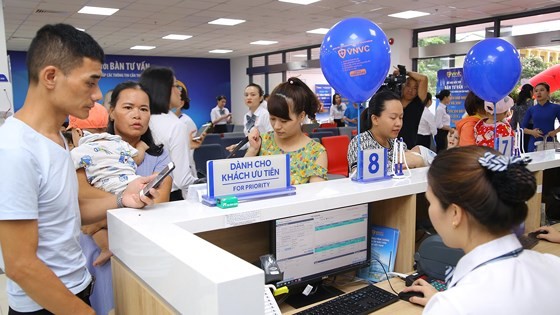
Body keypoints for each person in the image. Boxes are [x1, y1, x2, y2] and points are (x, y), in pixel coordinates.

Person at [0, 23, 158, 315]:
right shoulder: (15, 149)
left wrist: (123, 198)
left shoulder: (55, 139)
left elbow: (65, 209)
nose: (98, 94)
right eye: (90, 82)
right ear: (51, 76)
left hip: (75, 286)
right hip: (45, 304)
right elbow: (20, 265)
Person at [402, 146, 560, 314]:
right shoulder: (553, 266)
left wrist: (443, 304)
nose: (430, 211)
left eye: (431, 202)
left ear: (455, 213)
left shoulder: (452, 307)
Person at [77, 81, 173, 315]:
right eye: (128, 107)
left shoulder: (159, 156)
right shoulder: (91, 150)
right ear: (111, 112)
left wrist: (98, 218)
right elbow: (81, 198)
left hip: (142, 248)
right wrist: (127, 202)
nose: (137, 115)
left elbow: (158, 207)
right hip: (99, 250)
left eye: (144, 109)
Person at [69, 103, 149, 267]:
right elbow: (137, 159)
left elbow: (72, 176)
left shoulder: (77, 152)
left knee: (91, 225)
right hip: (132, 185)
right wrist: (141, 146)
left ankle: (106, 248)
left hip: (107, 190)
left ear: (78, 132)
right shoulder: (119, 143)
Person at [245, 77, 328, 184]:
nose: (277, 126)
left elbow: (316, 194)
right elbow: (242, 182)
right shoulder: (262, 142)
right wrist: (252, 150)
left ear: (301, 116)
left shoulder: (315, 152)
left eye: (284, 121)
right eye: (272, 119)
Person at [140, 66, 201, 200]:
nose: (180, 92)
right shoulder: (176, 125)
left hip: (140, 194)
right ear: (163, 89)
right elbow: (182, 179)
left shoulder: (141, 120)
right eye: (175, 86)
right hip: (169, 197)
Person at [347, 90, 425, 174]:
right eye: (393, 117)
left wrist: (419, 162)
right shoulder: (360, 143)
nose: (398, 123)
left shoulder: (398, 145)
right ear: (375, 119)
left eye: (401, 117)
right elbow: (361, 175)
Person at [226, 83, 272, 153]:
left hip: (266, 154)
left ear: (260, 98)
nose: (249, 97)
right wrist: (237, 146)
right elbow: (249, 140)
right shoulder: (246, 116)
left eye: (253, 95)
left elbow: (271, 137)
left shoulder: (265, 114)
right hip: (253, 153)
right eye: (246, 95)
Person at [521, 82, 560, 152]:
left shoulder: (556, 108)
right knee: (534, 162)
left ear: (548, 92)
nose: (538, 93)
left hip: (550, 141)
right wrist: (532, 132)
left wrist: (555, 132)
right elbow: (522, 128)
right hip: (534, 143)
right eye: (536, 91)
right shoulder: (531, 109)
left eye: (542, 90)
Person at [396, 69, 429, 149]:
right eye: (408, 85)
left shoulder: (418, 103)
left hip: (408, 146)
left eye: (415, 88)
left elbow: (424, 78)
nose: (410, 90)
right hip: (389, 143)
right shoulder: (394, 100)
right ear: (403, 85)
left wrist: (406, 72)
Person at [510, 83, 533, 153]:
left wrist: (512, 129)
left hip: (522, 130)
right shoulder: (533, 103)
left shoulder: (517, 104)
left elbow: (514, 119)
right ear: (530, 92)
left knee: (523, 149)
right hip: (533, 129)